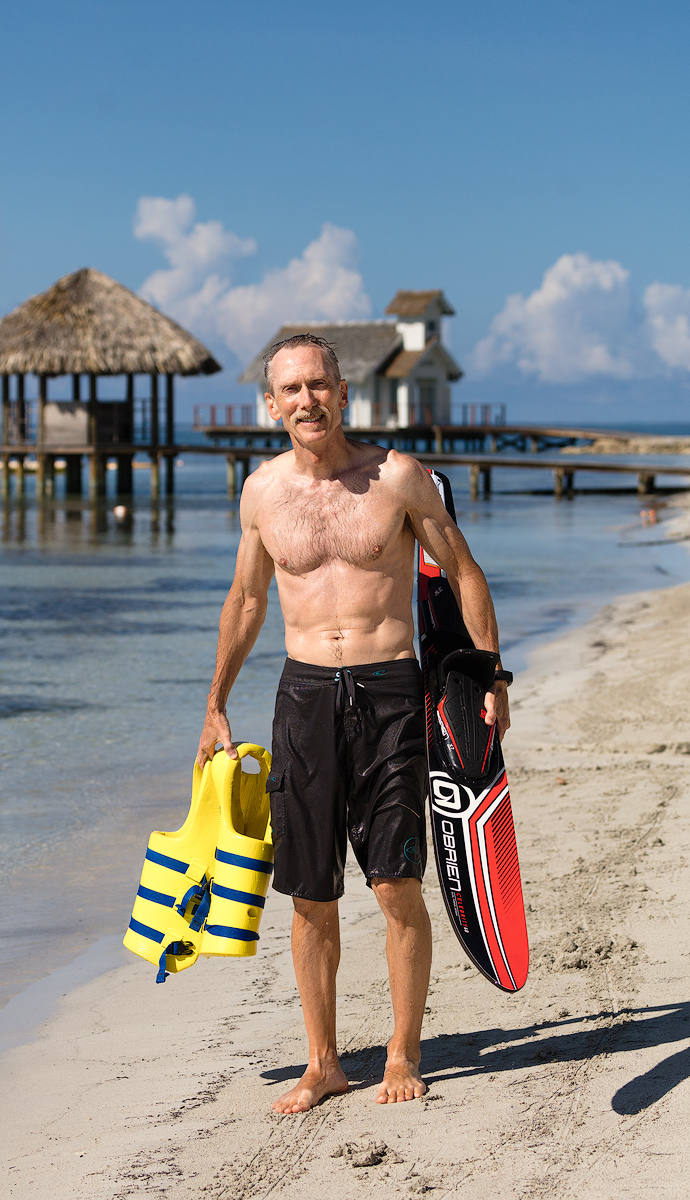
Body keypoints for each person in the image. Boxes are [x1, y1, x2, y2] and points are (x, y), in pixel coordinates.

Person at [196, 334, 510, 1114]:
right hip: (303, 695)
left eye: (318, 385)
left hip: (391, 691)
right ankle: (324, 1062)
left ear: (343, 392)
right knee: (309, 895)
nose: (306, 400)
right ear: (271, 404)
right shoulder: (261, 494)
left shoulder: (398, 478)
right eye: (290, 389)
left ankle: (403, 1051)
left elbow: (463, 570)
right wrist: (214, 706)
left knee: (397, 881)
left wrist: (489, 672)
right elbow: (248, 602)